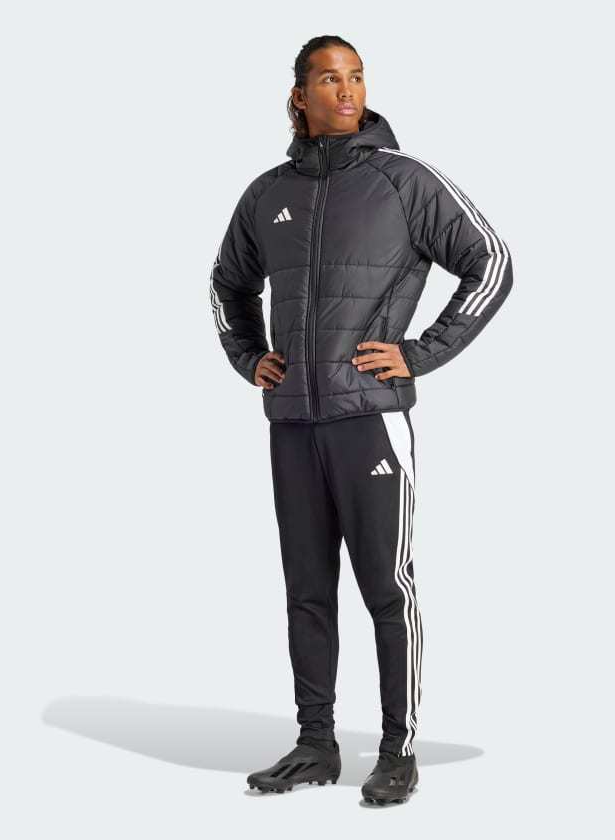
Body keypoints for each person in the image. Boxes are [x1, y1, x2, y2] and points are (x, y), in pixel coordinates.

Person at [210, 35, 513, 805]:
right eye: (328, 79)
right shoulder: (267, 194)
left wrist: (419, 353)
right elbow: (225, 284)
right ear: (299, 97)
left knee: (387, 588)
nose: (346, 91)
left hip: (369, 420)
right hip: (293, 424)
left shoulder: (404, 181)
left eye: (355, 77)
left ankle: (397, 749)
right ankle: (315, 745)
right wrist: (250, 359)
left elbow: (491, 261)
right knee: (307, 591)